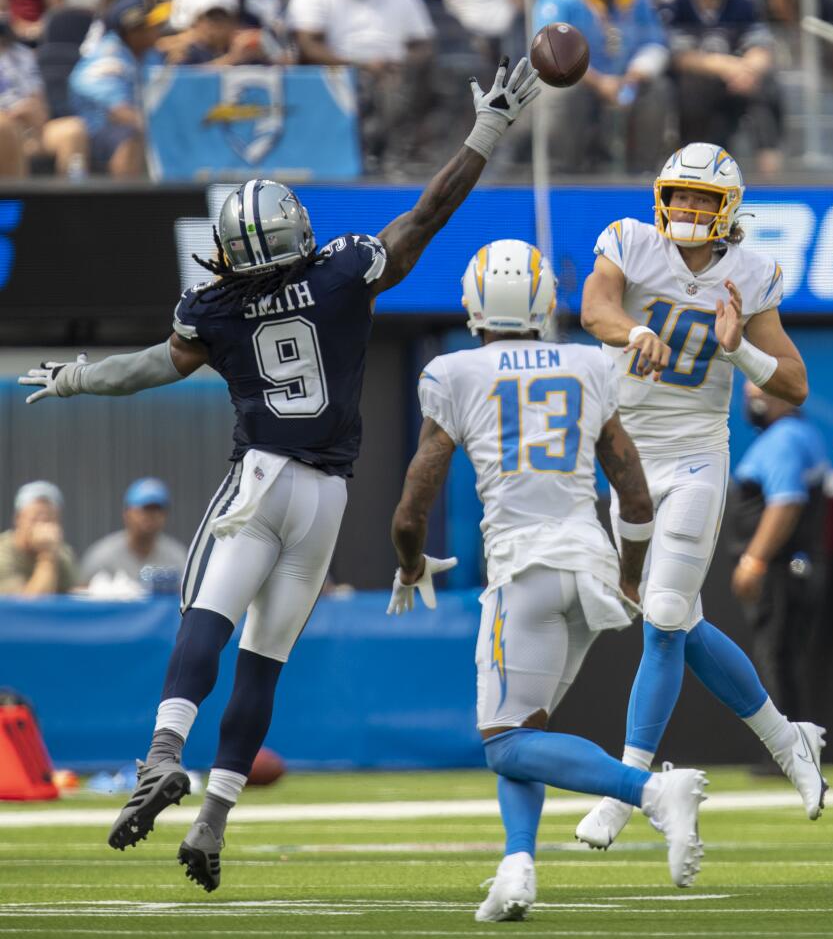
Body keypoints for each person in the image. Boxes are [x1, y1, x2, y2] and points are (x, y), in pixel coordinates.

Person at [18, 56, 540, 891]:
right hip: (325, 497)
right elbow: (429, 213)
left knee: (205, 617)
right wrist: (488, 129)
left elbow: (153, 366)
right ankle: (214, 822)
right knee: (264, 662)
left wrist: (76, 376)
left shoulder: (215, 306)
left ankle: (162, 755)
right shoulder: (340, 272)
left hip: (258, 479)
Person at [390, 239, 708, 921]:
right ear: (543, 303)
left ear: (474, 304)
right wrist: (626, 575)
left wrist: (410, 560)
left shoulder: (455, 371)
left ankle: (650, 792)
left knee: (505, 740)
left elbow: (415, 497)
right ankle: (516, 866)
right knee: (525, 729)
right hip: (588, 566)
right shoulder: (590, 363)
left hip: (523, 567)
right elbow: (635, 492)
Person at [574, 141, 827, 852]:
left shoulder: (750, 274)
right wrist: (636, 328)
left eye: (701, 199)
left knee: (661, 617)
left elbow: (795, 384)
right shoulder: (630, 243)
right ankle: (789, 741)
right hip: (624, 455)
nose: (686, 209)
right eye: (678, 196)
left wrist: (738, 346)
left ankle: (627, 792)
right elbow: (595, 307)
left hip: (692, 457)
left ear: (727, 210)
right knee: (680, 624)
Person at [729, 381, 828, 730]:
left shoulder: (784, 438)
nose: (752, 403)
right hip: (794, 565)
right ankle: (795, 744)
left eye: (760, 394)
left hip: (780, 569)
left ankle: (788, 748)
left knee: (777, 657)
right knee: (784, 656)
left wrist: (754, 560)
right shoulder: (795, 433)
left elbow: (785, 502)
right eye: (749, 395)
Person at [288, 0, 435, 172]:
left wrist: (403, 65)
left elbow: (424, 44)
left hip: (394, 70)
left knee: (422, 81)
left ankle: (401, 159)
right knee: (369, 85)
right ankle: (367, 158)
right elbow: (308, 47)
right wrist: (360, 65)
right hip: (337, 74)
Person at [534, 0, 671, 173]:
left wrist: (637, 72)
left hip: (626, 79)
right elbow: (549, 52)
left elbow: (655, 41)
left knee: (657, 90)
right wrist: (598, 82)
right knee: (560, 93)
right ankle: (563, 172)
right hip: (579, 79)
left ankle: (642, 174)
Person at [659, 0, 784, 175]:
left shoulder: (744, 1)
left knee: (765, 87)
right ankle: (695, 172)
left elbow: (761, 45)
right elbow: (677, 56)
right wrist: (725, 66)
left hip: (739, 80)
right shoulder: (674, 2)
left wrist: (748, 71)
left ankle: (771, 177)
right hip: (694, 84)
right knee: (693, 91)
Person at [68, 0, 163, 177]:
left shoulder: (148, 53)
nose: (159, 28)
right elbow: (121, 113)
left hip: (139, 123)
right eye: (151, 25)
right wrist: (165, 128)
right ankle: (126, 204)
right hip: (97, 131)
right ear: (134, 30)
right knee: (131, 138)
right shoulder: (107, 59)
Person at [0, 0, 89, 177]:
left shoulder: (21, 53)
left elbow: (40, 103)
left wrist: (34, 115)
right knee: (4, 128)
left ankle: (72, 202)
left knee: (73, 130)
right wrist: (12, 115)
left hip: (32, 129)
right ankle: (19, 202)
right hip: (6, 128)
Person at [79, 478, 187, 592]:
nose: (150, 516)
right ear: (127, 513)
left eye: (156, 510)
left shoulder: (177, 556)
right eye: (144, 510)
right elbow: (82, 596)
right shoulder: (103, 556)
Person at [0, 481, 78, 596]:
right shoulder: (4, 553)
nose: (43, 526)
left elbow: (72, 595)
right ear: (18, 519)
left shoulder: (63, 554)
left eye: (49, 520)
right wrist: (47, 556)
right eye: (35, 519)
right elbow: (29, 606)